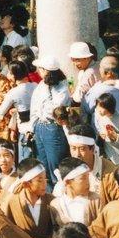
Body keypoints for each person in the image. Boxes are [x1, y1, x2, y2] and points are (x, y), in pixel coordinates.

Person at [30, 54, 72, 184]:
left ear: (46, 71)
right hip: (39, 126)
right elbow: (34, 105)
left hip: (53, 127)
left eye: (40, 69)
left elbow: (56, 108)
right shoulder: (41, 85)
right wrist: (33, 126)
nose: (38, 71)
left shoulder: (62, 87)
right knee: (42, 165)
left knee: (55, 165)